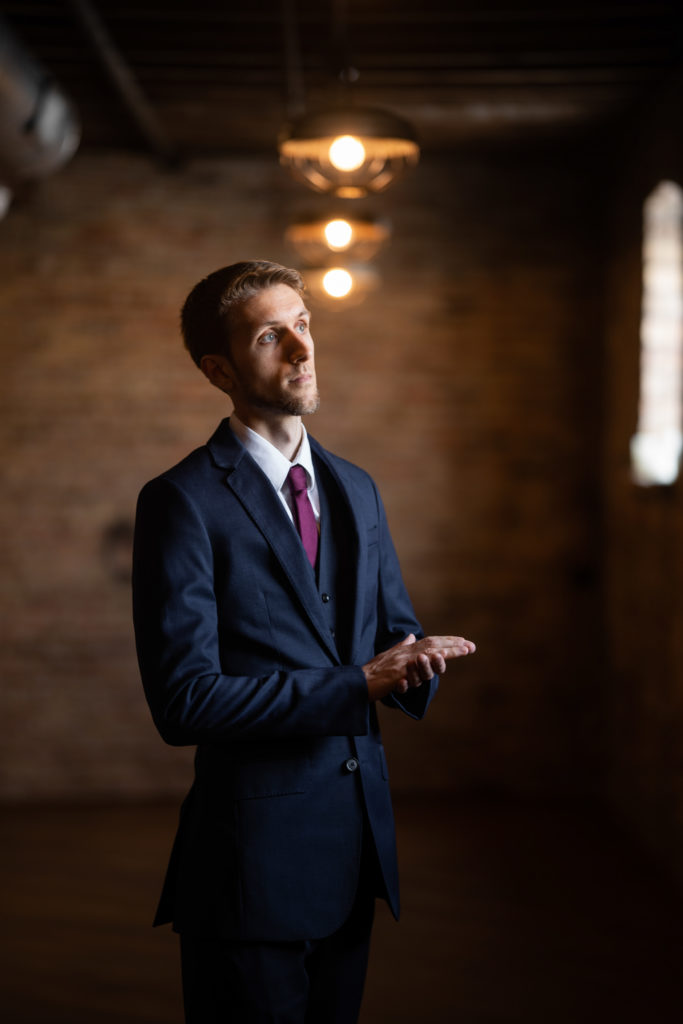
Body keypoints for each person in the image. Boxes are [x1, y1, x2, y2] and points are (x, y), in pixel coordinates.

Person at [132, 259, 476, 1024]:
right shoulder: (179, 502)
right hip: (249, 867)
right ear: (218, 368)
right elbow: (183, 702)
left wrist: (415, 664)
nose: (300, 348)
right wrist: (359, 683)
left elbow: (393, 633)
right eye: (269, 335)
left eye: (303, 323)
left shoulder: (356, 486)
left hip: (356, 852)